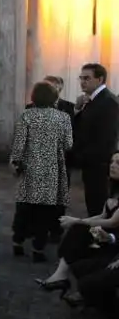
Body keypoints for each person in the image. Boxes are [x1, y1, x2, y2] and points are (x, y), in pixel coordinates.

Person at [35, 151, 119, 295]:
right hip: (103, 235)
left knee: (80, 227)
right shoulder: (114, 192)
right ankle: (60, 275)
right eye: (112, 162)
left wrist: (77, 220)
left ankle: (68, 280)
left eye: (118, 163)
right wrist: (79, 223)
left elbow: (112, 222)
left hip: (112, 242)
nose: (113, 166)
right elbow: (102, 215)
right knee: (79, 229)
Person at [10, 81, 73, 262]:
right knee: (45, 211)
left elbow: (19, 144)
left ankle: (18, 242)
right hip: (53, 168)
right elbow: (68, 144)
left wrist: (16, 163)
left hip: (30, 168)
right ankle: (38, 247)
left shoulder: (26, 115)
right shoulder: (63, 118)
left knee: (24, 206)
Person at [72, 63, 119, 216]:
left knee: (98, 208)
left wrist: (82, 157)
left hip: (99, 165)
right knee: (92, 205)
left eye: (87, 78)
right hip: (91, 164)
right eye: (81, 78)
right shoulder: (92, 100)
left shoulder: (108, 102)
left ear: (100, 80)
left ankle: (100, 238)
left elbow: (106, 139)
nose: (82, 81)